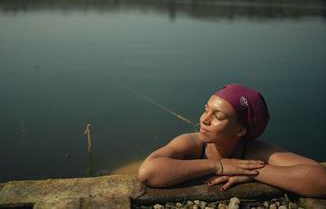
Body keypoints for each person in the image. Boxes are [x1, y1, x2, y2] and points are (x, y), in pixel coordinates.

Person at [137, 84, 326, 198]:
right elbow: (148, 172)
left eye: (218, 116)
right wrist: (217, 166)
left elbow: (320, 180)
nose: (204, 119)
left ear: (241, 130)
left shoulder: (257, 151)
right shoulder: (192, 143)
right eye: (206, 109)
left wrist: (252, 172)